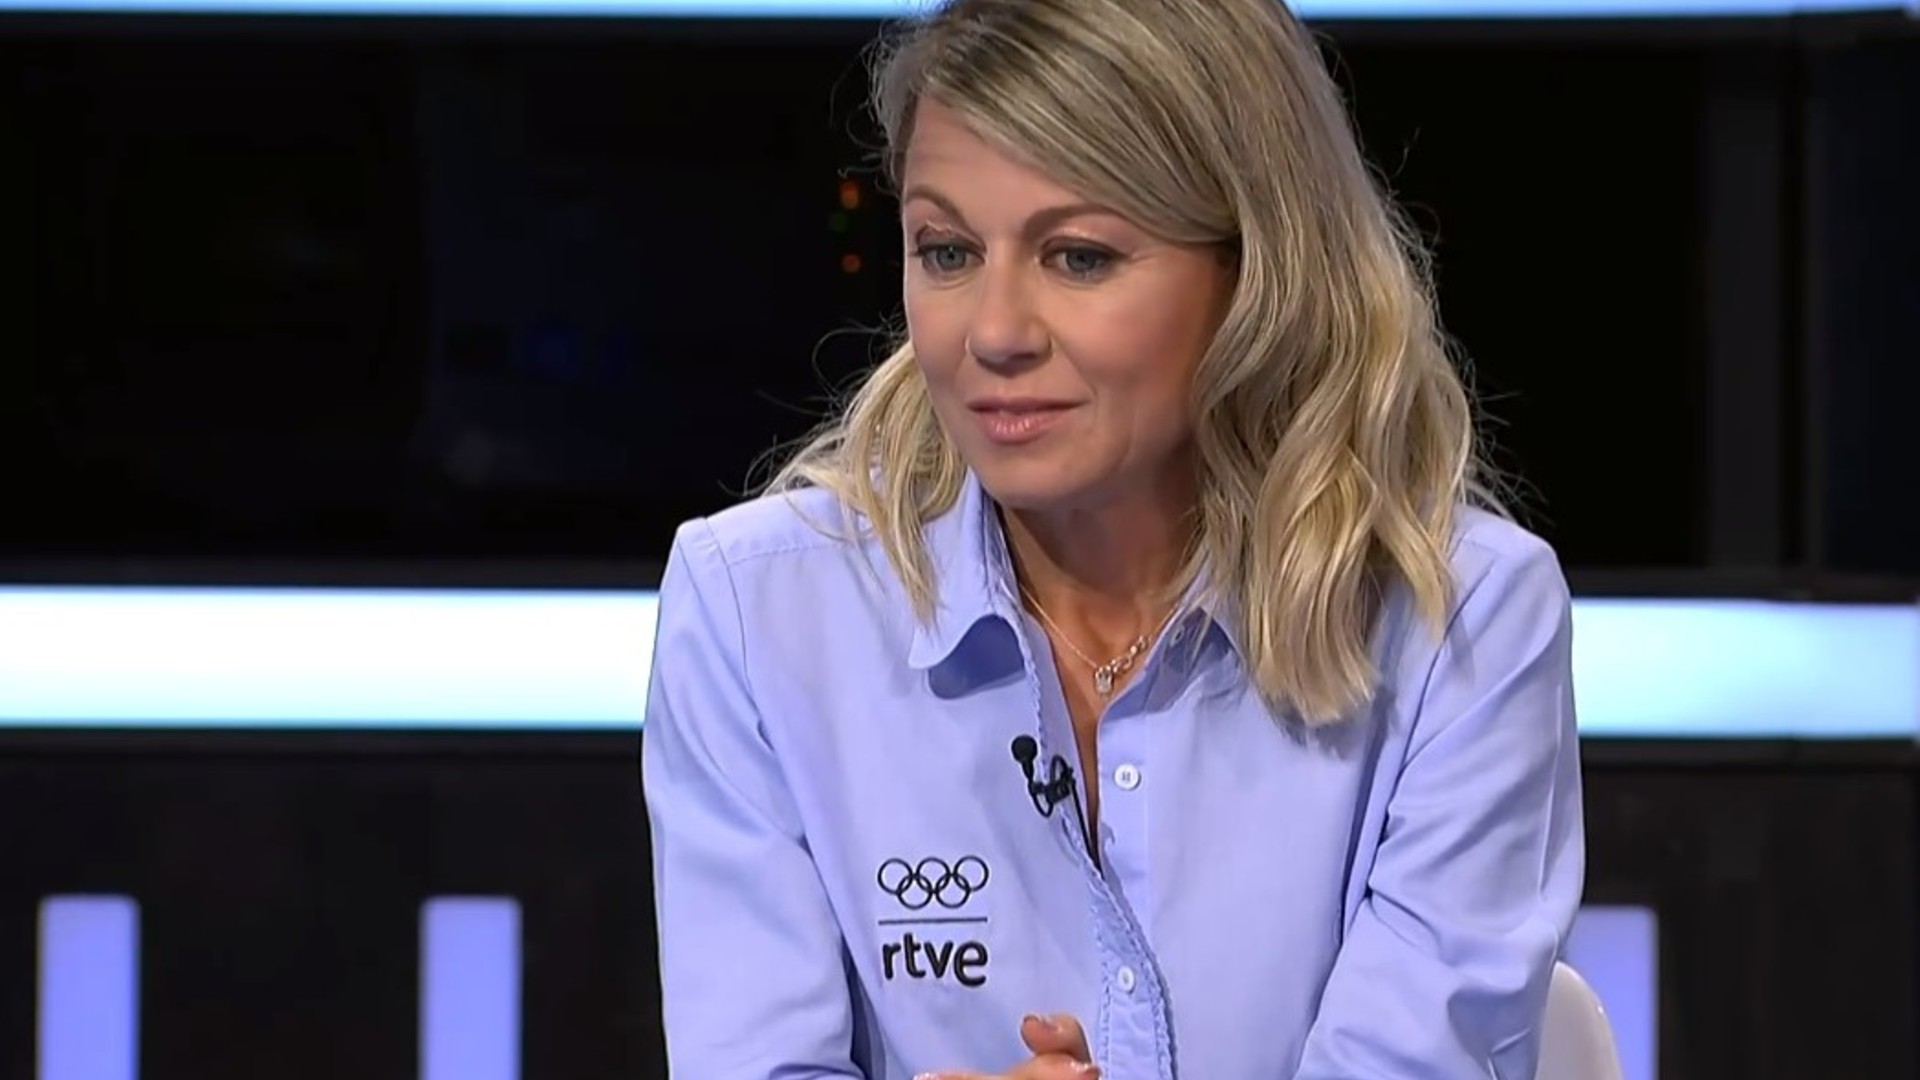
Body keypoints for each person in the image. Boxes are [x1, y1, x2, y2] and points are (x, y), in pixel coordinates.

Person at [640, 0, 1585, 1077]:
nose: (994, 333)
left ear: (1258, 274)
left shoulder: (1462, 625)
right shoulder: (756, 615)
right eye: (947, 251)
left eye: (1079, 258)